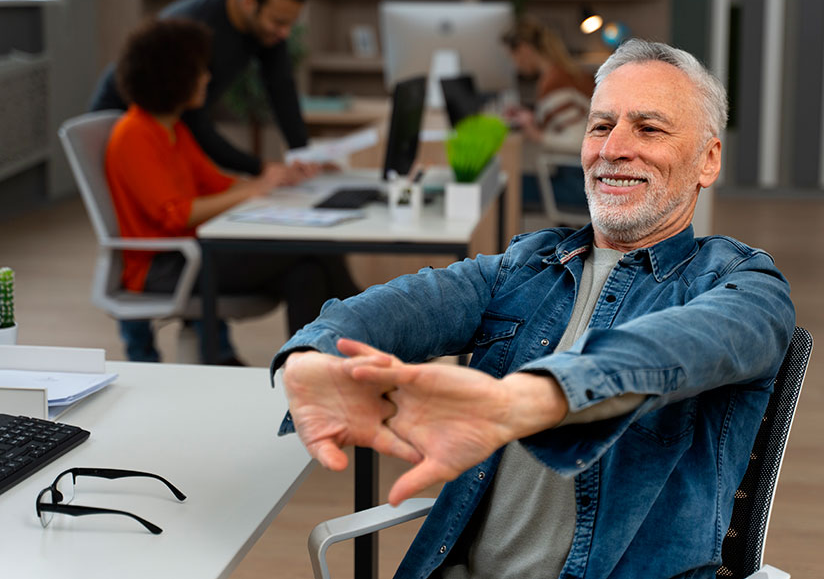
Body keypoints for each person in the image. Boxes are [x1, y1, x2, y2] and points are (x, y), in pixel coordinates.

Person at [274, 39, 796, 578]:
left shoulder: (742, 284)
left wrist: (526, 399)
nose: (613, 148)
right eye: (600, 126)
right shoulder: (527, 265)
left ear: (708, 160)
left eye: (649, 129)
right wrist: (311, 357)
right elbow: (405, 304)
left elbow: (686, 344)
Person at [106, 18, 356, 365]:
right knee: (311, 248)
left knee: (307, 273)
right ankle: (372, 344)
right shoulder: (134, 134)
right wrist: (252, 190)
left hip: (194, 253)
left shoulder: (172, 130)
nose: (208, 78)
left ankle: (312, 372)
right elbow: (175, 214)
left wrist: (278, 178)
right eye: (199, 70)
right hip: (165, 265)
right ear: (173, 75)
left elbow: (218, 184)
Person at [90, 0, 309, 178]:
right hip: (121, 113)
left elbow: (281, 86)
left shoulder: (267, 27)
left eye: (290, 24)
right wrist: (259, 168)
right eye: (279, 23)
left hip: (172, 124)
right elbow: (194, 121)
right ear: (249, 1)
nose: (285, 33)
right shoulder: (197, 29)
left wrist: (304, 156)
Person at [502, 16, 596, 216]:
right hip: (589, 179)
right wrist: (532, 116)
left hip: (577, 185)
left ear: (525, 50)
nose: (514, 64)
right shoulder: (565, 74)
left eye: (513, 56)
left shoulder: (554, 84)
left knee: (505, 189)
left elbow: (578, 140)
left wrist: (537, 135)